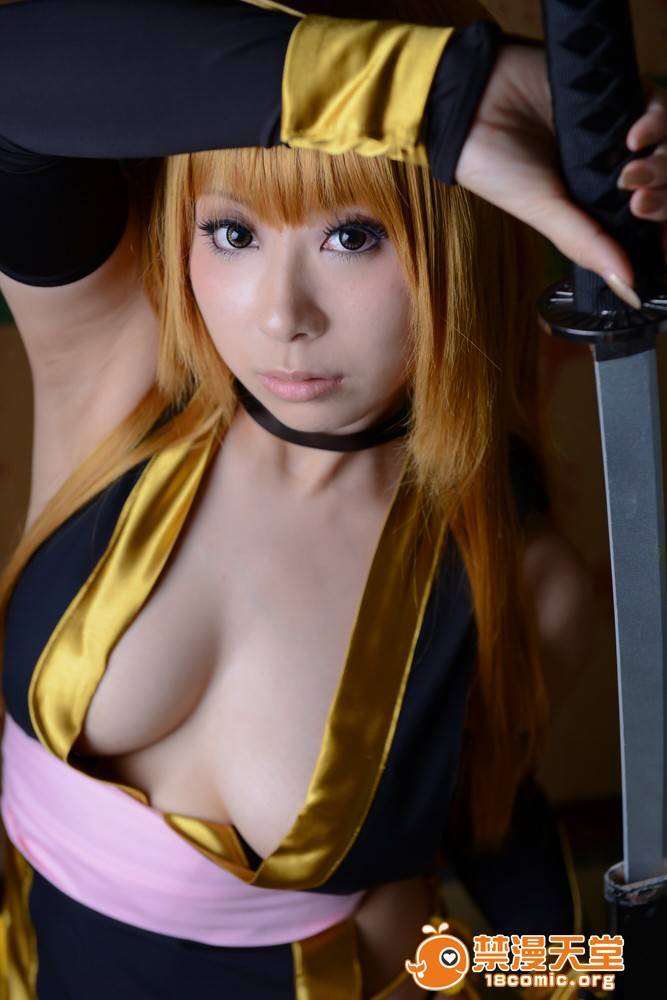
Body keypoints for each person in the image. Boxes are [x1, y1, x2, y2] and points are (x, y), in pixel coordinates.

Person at [0, 1, 665, 997]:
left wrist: (590, 967)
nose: (282, 314)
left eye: (354, 237)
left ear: (461, 239)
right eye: (232, 231)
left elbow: (490, 835)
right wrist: (439, 97)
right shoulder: (113, 376)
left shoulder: (524, 582)